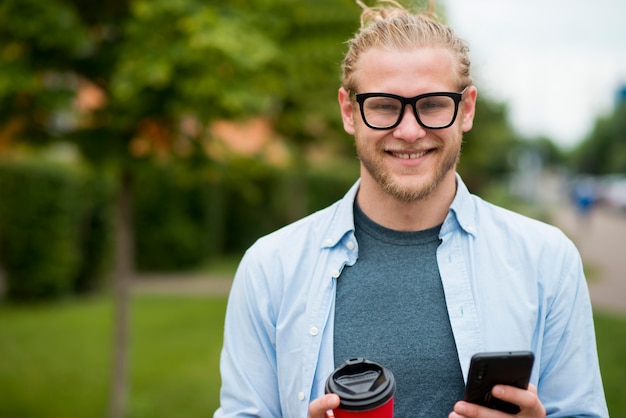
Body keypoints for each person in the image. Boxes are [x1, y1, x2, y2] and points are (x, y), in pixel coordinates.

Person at [214, 1, 608, 417]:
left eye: (433, 104)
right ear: (349, 111)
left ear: (467, 109)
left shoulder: (546, 259)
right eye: (384, 106)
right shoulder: (270, 267)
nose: (409, 130)